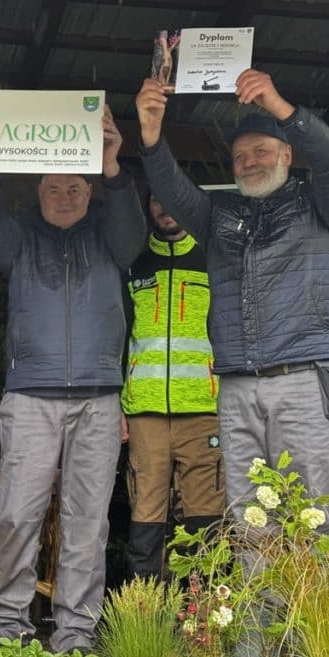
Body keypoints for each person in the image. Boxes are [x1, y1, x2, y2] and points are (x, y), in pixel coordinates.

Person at [134, 69, 329, 536]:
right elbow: (172, 190)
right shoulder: (219, 217)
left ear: (288, 154)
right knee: (251, 521)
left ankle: (316, 613)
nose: (250, 162)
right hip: (236, 388)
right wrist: (151, 134)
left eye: (261, 151)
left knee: (314, 519)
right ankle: (261, 614)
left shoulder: (323, 206)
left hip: (305, 379)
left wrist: (278, 104)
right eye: (240, 156)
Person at [0, 105, 145, 653]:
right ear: (37, 190)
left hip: (98, 399)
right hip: (31, 397)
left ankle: (76, 635)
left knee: (87, 523)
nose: (64, 196)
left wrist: (113, 163)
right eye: (53, 188)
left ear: (90, 192)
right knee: (17, 516)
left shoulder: (112, 240)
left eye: (75, 188)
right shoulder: (19, 240)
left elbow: (134, 231)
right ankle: (9, 630)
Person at [122, 194, 223, 579]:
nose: (166, 208)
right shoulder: (133, 262)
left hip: (203, 410)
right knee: (145, 520)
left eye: (173, 199)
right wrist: (120, 404)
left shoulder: (213, 259)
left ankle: (200, 623)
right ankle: (143, 621)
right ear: (148, 206)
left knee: (205, 523)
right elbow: (120, 337)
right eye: (156, 201)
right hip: (144, 412)